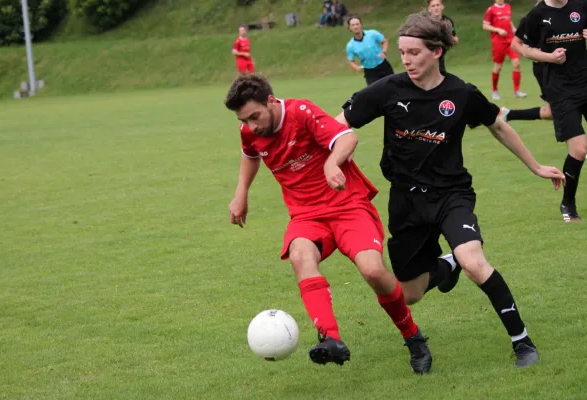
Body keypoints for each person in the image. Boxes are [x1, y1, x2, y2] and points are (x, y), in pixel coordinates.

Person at [335, 12, 566, 368]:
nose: (406, 60)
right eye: (402, 52)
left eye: (414, 52)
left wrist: (535, 166)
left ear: (436, 51)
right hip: (406, 201)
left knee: (475, 262)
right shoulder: (387, 89)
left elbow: (498, 127)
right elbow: (338, 125)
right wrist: (329, 159)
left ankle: (522, 341)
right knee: (409, 294)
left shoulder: (460, 93)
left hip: (450, 194)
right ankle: (447, 266)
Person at [224, 73, 432, 374]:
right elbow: (250, 154)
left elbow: (348, 137)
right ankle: (331, 339)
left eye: (255, 116)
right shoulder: (250, 130)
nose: (252, 125)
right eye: (245, 120)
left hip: (348, 206)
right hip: (306, 215)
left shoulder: (301, 112)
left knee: (373, 271)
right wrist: (240, 194)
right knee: (300, 256)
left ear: (271, 101)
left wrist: (331, 163)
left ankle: (412, 337)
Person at [522, 0, 587, 222]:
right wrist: (550, 57)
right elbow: (525, 49)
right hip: (560, 90)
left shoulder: (582, 5)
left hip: (585, 82)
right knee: (579, 150)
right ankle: (568, 202)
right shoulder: (537, 14)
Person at [499, 9, 553, 123]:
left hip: (570, 67)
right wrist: (536, 55)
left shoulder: (568, 10)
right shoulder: (532, 16)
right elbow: (515, 44)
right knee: (554, 112)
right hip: (545, 69)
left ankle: (509, 114)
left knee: (551, 113)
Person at [483, 0, 527, 99]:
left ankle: (517, 91)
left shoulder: (508, 6)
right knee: (498, 67)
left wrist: (513, 28)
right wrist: (497, 30)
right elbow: (485, 25)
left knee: (517, 63)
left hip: (510, 40)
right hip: (498, 42)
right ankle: (494, 90)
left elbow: (508, 20)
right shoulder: (491, 10)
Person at [346, 17, 394, 85]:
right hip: (369, 71)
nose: (356, 27)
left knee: (392, 86)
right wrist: (357, 67)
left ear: (361, 25)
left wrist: (384, 52)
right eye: (353, 25)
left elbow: (384, 41)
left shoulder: (372, 34)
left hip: (383, 65)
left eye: (357, 24)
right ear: (349, 28)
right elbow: (351, 61)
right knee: (374, 92)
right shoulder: (350, 45)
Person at [427, 0, 459, 73]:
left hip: (440, 53)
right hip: (428, 54)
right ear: (429, 9)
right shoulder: (426, 21)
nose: (436, 8)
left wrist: (450, 39)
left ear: (442, 6)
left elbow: (455, 38)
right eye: (433, 6)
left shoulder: (447, 21)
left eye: (438, 5)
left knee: (441, 73)